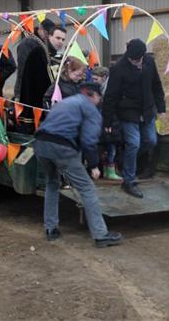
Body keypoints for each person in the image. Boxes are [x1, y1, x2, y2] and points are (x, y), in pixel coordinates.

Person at [34, 82, 123, 248]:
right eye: (99, 97)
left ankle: (51, 228)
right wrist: (94, 165)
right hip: (62, 147)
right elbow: (89, 140)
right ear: (93, 95)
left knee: (52, 183)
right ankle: (100, 235)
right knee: (87, 188)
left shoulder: (65, 102)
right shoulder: (90, 109)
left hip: (40, 144)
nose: (99, 101)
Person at [102, 39, 165, 198]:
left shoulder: (149, 62)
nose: (137, 62)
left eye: (139, 59)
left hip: (147, 110)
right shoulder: (118, 69)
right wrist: (107, 120)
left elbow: (157, 85)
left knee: (151, 141)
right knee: (134, 143)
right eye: (133, 60)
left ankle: (123, 159)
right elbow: (110, 96)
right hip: (128, 112)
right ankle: (129, 181)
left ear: (143, 55)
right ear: (128, 56)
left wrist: (161, 107)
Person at [18, 25, 67, 108]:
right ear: (49, 37)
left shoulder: (55, 55)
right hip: (37, 101)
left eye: (63, 39)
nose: (60, 42)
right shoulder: (39, 52)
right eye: (58, 38)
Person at [92, 67, 122, 181]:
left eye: (96, 79)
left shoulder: (111, 90)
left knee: (112, 148)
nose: (94, 81)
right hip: (101, 122)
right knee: (104, 148)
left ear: (104, 77)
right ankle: (106, 170)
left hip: (111, 123)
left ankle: (111, 171)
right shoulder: (96, 89)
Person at [14, 18, 55, 99]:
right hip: (26, 88)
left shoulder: (46, 44)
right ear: (41, 29)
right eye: (47, 33)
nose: (48, 37)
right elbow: (23, 68)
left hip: (41, 87)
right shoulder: (27, 44)